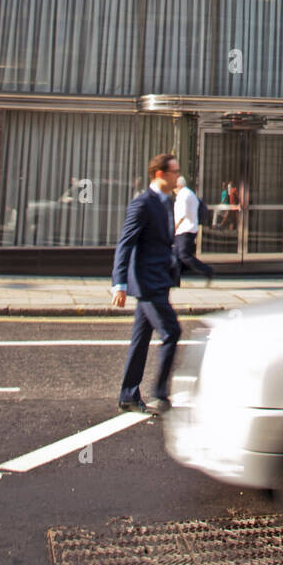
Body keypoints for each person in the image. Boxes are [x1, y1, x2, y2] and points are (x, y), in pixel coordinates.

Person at [111, 153, 183, 415]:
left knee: (140, 340)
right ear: (160, 174)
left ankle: (128, 395)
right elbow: (126, 243)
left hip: (159, 280)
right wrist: (119, 283)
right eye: (174, 171)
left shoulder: (166, 202)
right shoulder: (142, 204)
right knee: (171, 331)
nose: (178, 175)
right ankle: (160, 393)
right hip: (147, 283)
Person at [173, 174, 214, 286]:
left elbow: (182, 214)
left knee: (183, 255)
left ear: (179, 185)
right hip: (187, 229)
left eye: (174, 187)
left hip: (185, 229)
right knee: (177, 256)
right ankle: (174, 281)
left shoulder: (183, 195)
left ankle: (206, 270)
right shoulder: (189, 193)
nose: (173, 190)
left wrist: (174, 227)